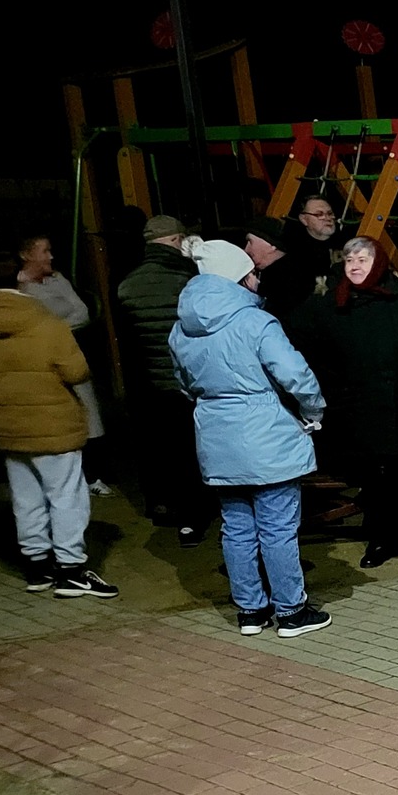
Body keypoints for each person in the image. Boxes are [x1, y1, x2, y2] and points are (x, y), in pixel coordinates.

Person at [169, 240, 329, 636]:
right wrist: (313, 410)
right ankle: (291, 611)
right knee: (278, 528)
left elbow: (183, 383)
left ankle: (251, 611)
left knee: (236, 527)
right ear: (239, 278)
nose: (258, 279)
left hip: (216, 434)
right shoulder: (256, 322)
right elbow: (296, 375)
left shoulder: (182, 327)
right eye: (253, 273)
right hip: (266, 433)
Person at [292, 238, 398, 567]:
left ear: (377, 263)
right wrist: (329, 388)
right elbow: (301, 345)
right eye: (350, 260)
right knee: (375, 477)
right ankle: (383, 538)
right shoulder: (329, 302)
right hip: (357, 408)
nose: (355, 266)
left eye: (363, 259)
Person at [0, 285, 117, 598]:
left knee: (25, 498)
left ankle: (37, 568)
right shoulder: (48, 326)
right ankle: (70, 570)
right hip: (53, 427)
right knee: (66, 497)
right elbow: (77, 372)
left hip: (9, 428)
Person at [116, 214, 207, 544]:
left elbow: (128, 345)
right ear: (176, 240)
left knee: (164, 449)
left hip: (151, 385)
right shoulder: (188, 278)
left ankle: (167, 507)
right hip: (191, 381)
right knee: (194, 452)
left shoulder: (127, 284)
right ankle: (197, 517)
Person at [15, 234, 107, 492]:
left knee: (87, 412)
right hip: (42, 363)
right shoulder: (20, 289)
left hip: (70, 354)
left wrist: (53, 329)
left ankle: (92, 475)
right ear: (27, 255)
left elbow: (82, 312)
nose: (51, 256)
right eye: (44, 251)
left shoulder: (58, 280)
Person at [243, 217, 320, 317]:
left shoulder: (288, 282)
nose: (246, 249)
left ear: (271, 245)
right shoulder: (274, 276)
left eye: (250, 242)